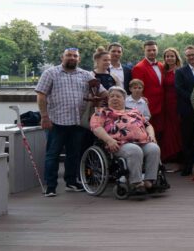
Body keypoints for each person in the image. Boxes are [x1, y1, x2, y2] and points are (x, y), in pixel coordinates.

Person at [35, 47, 97, 197]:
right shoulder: (50, 73)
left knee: (74, 154)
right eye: (68, 55)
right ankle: (51, 186)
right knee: (52, 155)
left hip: (77, 122)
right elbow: (41, 96)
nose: (72, 58)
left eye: (75, 56)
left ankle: (71, 182)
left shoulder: (86, 75)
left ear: (79, 59)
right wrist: (44, 117)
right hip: (56, 121)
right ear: (62, 57)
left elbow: (100, 91)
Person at [89, 86, 161, 193]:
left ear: (124, 99)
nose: (114, 98)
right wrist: (109, 140)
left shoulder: (134, 111)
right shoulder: (102, 112)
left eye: (118, 96)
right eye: (112, 96)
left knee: (154, 148)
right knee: (134, 150)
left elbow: (148, 125)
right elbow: (96, 127)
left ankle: (149, 181)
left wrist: (152, 135)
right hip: (119, 143)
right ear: (108, 99)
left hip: (142, 141)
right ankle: (136, 183)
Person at [173, 46, 194, 176]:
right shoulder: (180, 72)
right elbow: (179, 90)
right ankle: (188, 166)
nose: (191, 57)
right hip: (188, 109)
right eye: (188, 56)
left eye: (193, 54)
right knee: (188, 139)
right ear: (185, 57)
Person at [130, 40, 165, 138]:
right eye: (149, 50)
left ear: (157, 50)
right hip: (148, 107)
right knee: (148, 133)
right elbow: (137, 89)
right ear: (144, 51)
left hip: (162, 106)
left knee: (161, 133)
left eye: (154, 50)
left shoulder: (161, 66)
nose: (152, 52)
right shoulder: (139, 67)